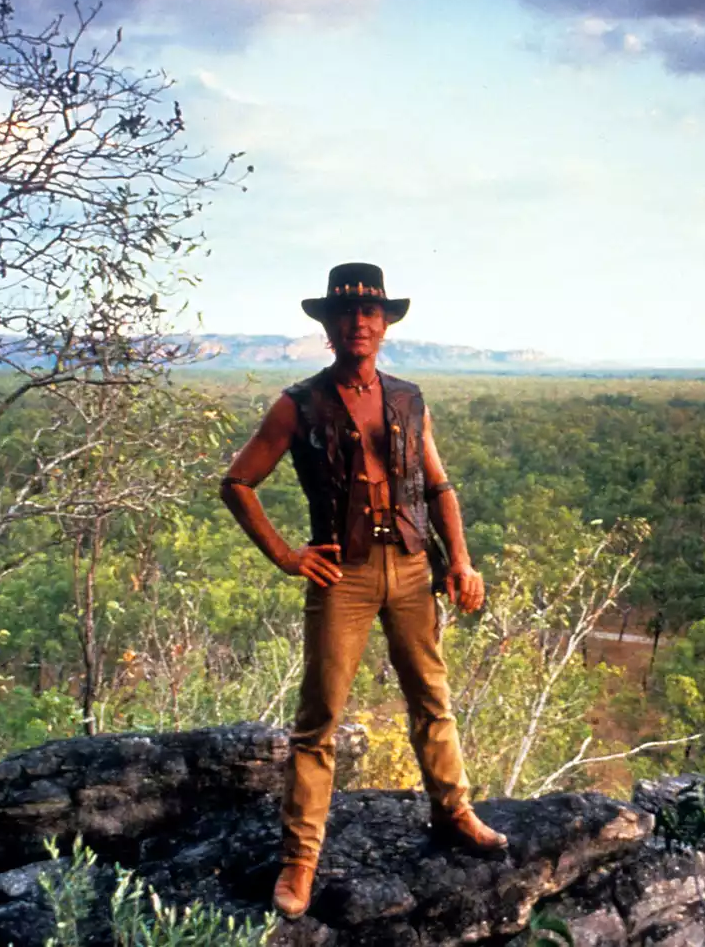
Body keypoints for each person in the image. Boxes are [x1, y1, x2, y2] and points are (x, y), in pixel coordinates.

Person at [219, 262, 508, 920]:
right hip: (341, 574)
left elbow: (437, 486)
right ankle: (300, 860)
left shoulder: (408, 398)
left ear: (384, 323)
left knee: (431, 697)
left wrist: (459, 561)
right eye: (347, 314)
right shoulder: (298, 403)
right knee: (319, 718)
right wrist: (289, 556)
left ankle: (453, 811)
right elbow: (237, 484)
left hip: (410, 566)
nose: (359, 323)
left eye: (371, 312)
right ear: (328, 326)